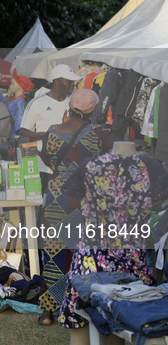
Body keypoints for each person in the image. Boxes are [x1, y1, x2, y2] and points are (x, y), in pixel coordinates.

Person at [57, 140, 168, 344]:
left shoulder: (90, 166)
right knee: (121, 319)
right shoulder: (152, 167)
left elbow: (72, 199)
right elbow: (158, 205)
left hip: (91, 255)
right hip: (133, 256)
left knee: (81, 320)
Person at [36, 89, 117, 326]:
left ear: (69, 106)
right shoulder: (101, 133)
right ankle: (81, 307)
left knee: (53, 254)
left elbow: (49, 160)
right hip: (85, 200)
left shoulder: (52, 132)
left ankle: (47, 313)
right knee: (85, 255)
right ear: (93, 111)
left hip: (56, 198)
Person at [18, 64, 81, 148]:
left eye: (73, 82)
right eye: (69, 82)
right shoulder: (37, 102)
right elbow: (23, 133)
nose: (73, 85)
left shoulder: (73, 105)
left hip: (65, 156)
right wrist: (48, 134)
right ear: (57, 82)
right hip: (42, 155)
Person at [7, 69, 34, 139]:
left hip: (13, 134)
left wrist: (16, 134)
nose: (10, 86)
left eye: (13, 84)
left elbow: (19, 120)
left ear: (20, 86)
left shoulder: (20, 102)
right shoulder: (15, 99)